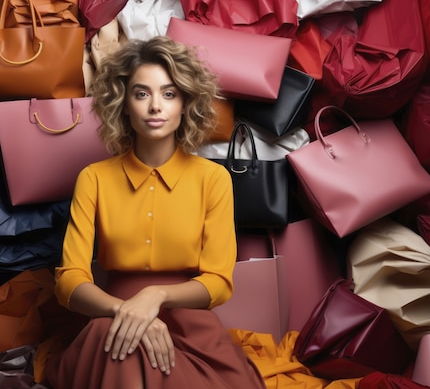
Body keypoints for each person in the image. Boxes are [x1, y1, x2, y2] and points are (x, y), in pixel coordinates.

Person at [46, 36, 266, 389]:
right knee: (118, 338)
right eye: (141, 93)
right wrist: (126, 311)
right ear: (124, 103)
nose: (155, 107)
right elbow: (69, 281)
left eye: (168, 93)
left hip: (191, 329)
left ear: (185, 103)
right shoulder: (94, 178)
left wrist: (156, 296)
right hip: (109, 317)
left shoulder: (213, 179)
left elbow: (219, 283)